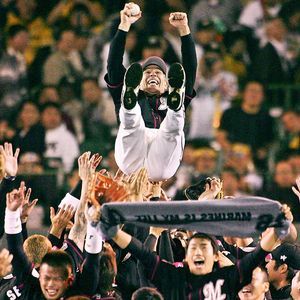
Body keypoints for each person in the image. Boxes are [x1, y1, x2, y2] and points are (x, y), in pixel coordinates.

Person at [100, 203, 292, 300]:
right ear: (185, 256)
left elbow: (258, 253)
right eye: (193, 248)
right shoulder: (171, 276)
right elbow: (142, 252)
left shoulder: (229, 278)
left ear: (216, 256)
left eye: (203, 247)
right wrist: (113, 232)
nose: (197, 252)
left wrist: (278, 229)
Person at [105, 3, 197, 181]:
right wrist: (124, 25)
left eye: (158, 72)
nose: (153, 73)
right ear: (138, 82)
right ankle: (130, 107)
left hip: (162, 163)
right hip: (132, 160)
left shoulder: (171, 94)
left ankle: (176, 107)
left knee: (172, 128)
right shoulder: (131, 94)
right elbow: (113, 64)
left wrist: (185, 30)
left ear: (166, 84)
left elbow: (191, 69)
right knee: (131, 124)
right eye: (147, 72)